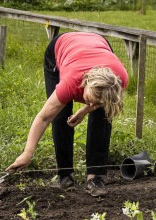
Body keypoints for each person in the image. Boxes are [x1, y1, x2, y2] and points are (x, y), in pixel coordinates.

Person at [7, 32, 128, 197]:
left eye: (94, 103)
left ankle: (95, 178)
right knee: (60, 114)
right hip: (60, 49)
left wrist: (85, 110)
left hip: (99, 44)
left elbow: (100, 102)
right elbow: (44, 117)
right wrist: (28, 153)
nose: (91, 105)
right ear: (84, 84)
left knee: (104, 116)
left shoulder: (117, 81)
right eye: (88, 100)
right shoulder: (71, 82)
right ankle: (65, 175)